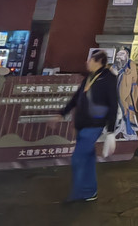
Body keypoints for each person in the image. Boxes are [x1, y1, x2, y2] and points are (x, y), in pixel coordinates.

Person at [50, 50, 118, 203]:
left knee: (78, 158)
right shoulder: (89, 77)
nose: (87, 62)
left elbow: (113, 105)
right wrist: (61, 114)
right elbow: (76, 98)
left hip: (95, 124)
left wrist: (111, 131)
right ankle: (90, 191)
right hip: (82, 123)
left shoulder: (108, 78)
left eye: (90, 60)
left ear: (98, 61)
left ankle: (78, 193)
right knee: (87, 159)